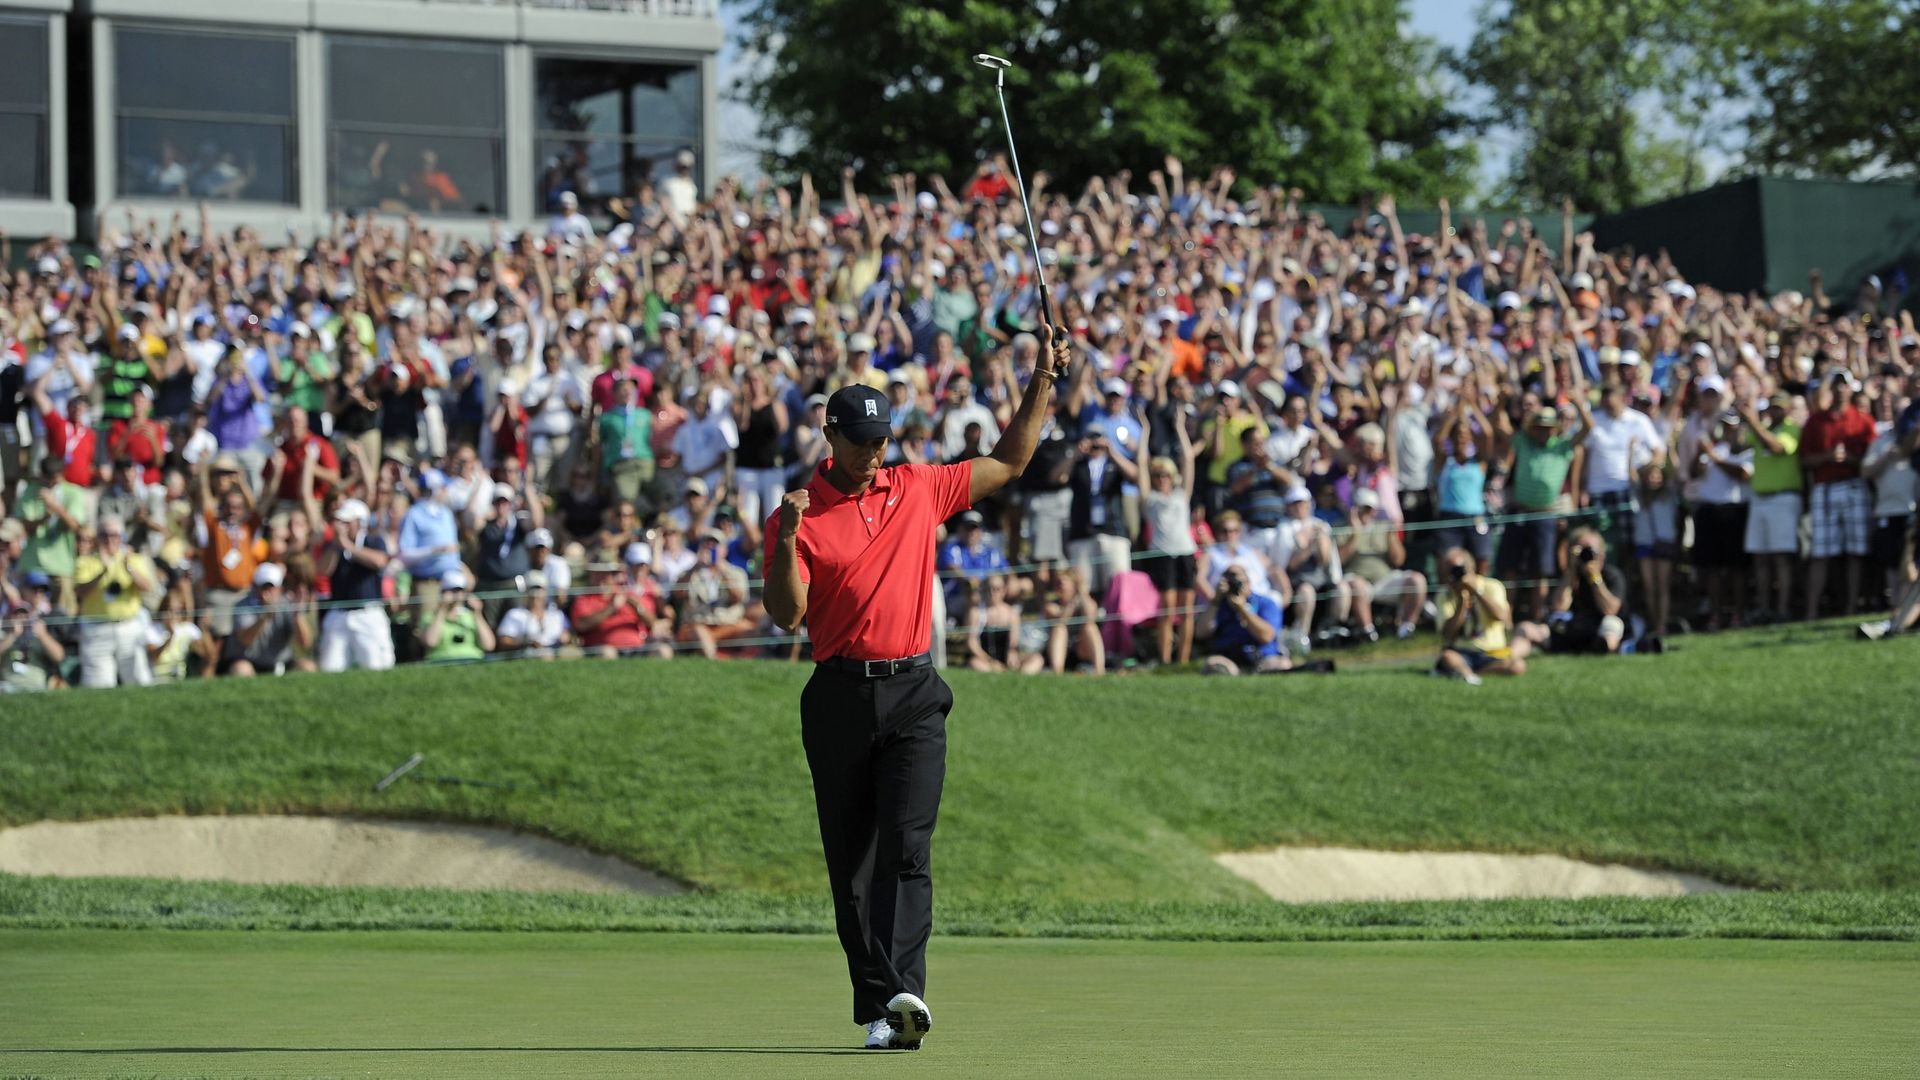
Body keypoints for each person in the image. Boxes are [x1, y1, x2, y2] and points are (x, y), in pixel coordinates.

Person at [759, 324, 1069, 1051]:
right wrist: (783, 539)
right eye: (860, 442)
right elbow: (787, 613)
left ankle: (905, 995)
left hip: (913, 693)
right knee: (853, 864)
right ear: (830, 435)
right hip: (837, 696)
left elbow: (1009, 459)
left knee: (908, 846)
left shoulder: (919, 486)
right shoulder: (798, 513)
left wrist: (1042, 381)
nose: (873, 455)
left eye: (881, 442)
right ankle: (878, 1007)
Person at [1800, 371, 1876, 618]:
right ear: (1831, 389)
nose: (1841, 389)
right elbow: (1804, 459)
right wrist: (1827, 457)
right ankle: (1811, 612)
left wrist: (1850, 459)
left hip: (1854, 484)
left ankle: (1852, 607)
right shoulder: (1816, 421)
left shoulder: (1863, 420)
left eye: (1845, 385)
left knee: (1856, 551)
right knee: (1820, 552)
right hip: (1824, 487)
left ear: (1851, 389)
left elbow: (1871, 460)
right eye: (1837, 385)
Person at [1139, 416, 1200, 665]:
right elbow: (1142, 463)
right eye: (1158, 474)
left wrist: (1178, 429)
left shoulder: (1181, 495)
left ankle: (1183, 661)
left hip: (1185, 552)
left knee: (1187, 610)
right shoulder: (1149, 500)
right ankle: (1165, 660)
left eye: (1166, 474)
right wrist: (1145, 432)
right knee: (1167, 610)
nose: (1162, 478)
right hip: (1162, 555)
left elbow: (1188, 459)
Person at [72, 514, 158, 688]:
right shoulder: (86, 562)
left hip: (128, 626)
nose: (110, 539)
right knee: (99, 686)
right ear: (98, 538)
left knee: (139, 681)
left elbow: (147, 587)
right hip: (97, 629)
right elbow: (80, 592)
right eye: (105, 535)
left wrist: (129, 568)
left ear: (122, 537)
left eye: (115, 535)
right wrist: (103, 571)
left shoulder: (133, 559)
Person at [1518, 527, 1629, 654]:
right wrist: (1570, 572)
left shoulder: (1612, 575)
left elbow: (1610, 610)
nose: (1585, 555)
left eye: (1590, 550)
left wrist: (1594, 577)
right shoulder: (1569, 576)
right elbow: (1558, 609)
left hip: (1600, 631)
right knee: (1524, 628)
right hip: (1573, 628)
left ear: (1602, 554)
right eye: (1580, 551)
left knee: (1612, 623)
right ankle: (1507, 658)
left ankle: (1601, 650)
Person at [316, 499, 395, 672]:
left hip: (368, 612)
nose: (341, 526)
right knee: (330, 667)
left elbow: (380, 561)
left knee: (377, 665)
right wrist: (337, 546)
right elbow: (323, 570)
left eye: (347, 522)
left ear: (360, 522)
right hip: (339, 612)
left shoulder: (374, 541)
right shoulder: (332, 546)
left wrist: (348, 546)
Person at [1434, 545, 1528, 685]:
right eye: (1446, 571)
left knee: (1518, 665)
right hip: (1462, 652)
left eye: (1456, 570)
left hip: (1493, 653)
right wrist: (1461, 602)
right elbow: (1448, 634)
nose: (1451, 576)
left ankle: (1469, 673)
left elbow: (1501, 616)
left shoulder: (1492, 586)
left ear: (1470, 568)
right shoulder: (1445, 595)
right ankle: (1466, 673)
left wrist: (1476, 591)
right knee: (1448, 656)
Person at [219, 562, 315, 677]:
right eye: (264, 586)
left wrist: (297, 615)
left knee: (308, 667)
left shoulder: (288, 604)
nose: (268, 591)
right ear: (255, 587)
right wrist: (265, 617)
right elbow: (245, 640)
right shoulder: (242, 606)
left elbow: (305, 643)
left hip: (281, 662)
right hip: (250, 661)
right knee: (241, 669)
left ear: (280, 588)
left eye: (272, 587)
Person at [965, 573, 1040, 673]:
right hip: (984, 659)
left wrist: (1012, 654)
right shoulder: (976, 612)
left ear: (1004, 590)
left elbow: (1013, 643)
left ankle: (1019, 675)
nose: (992, 592)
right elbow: (971, 642)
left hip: (1007, 659)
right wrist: (990, 661)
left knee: (1037, 659)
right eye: (989, 588)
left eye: (997, 589)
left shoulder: (1012, 614)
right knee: (974, 663)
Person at [420, 569, 494, 663]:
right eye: (451, 590)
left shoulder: (471, 615)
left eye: (459, 590)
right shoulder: (430, 617)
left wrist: (478, 614)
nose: (456, 594)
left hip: (471, 659)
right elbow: (430, 642)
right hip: (441, 660)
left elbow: (489, 645)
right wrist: (442, 609)